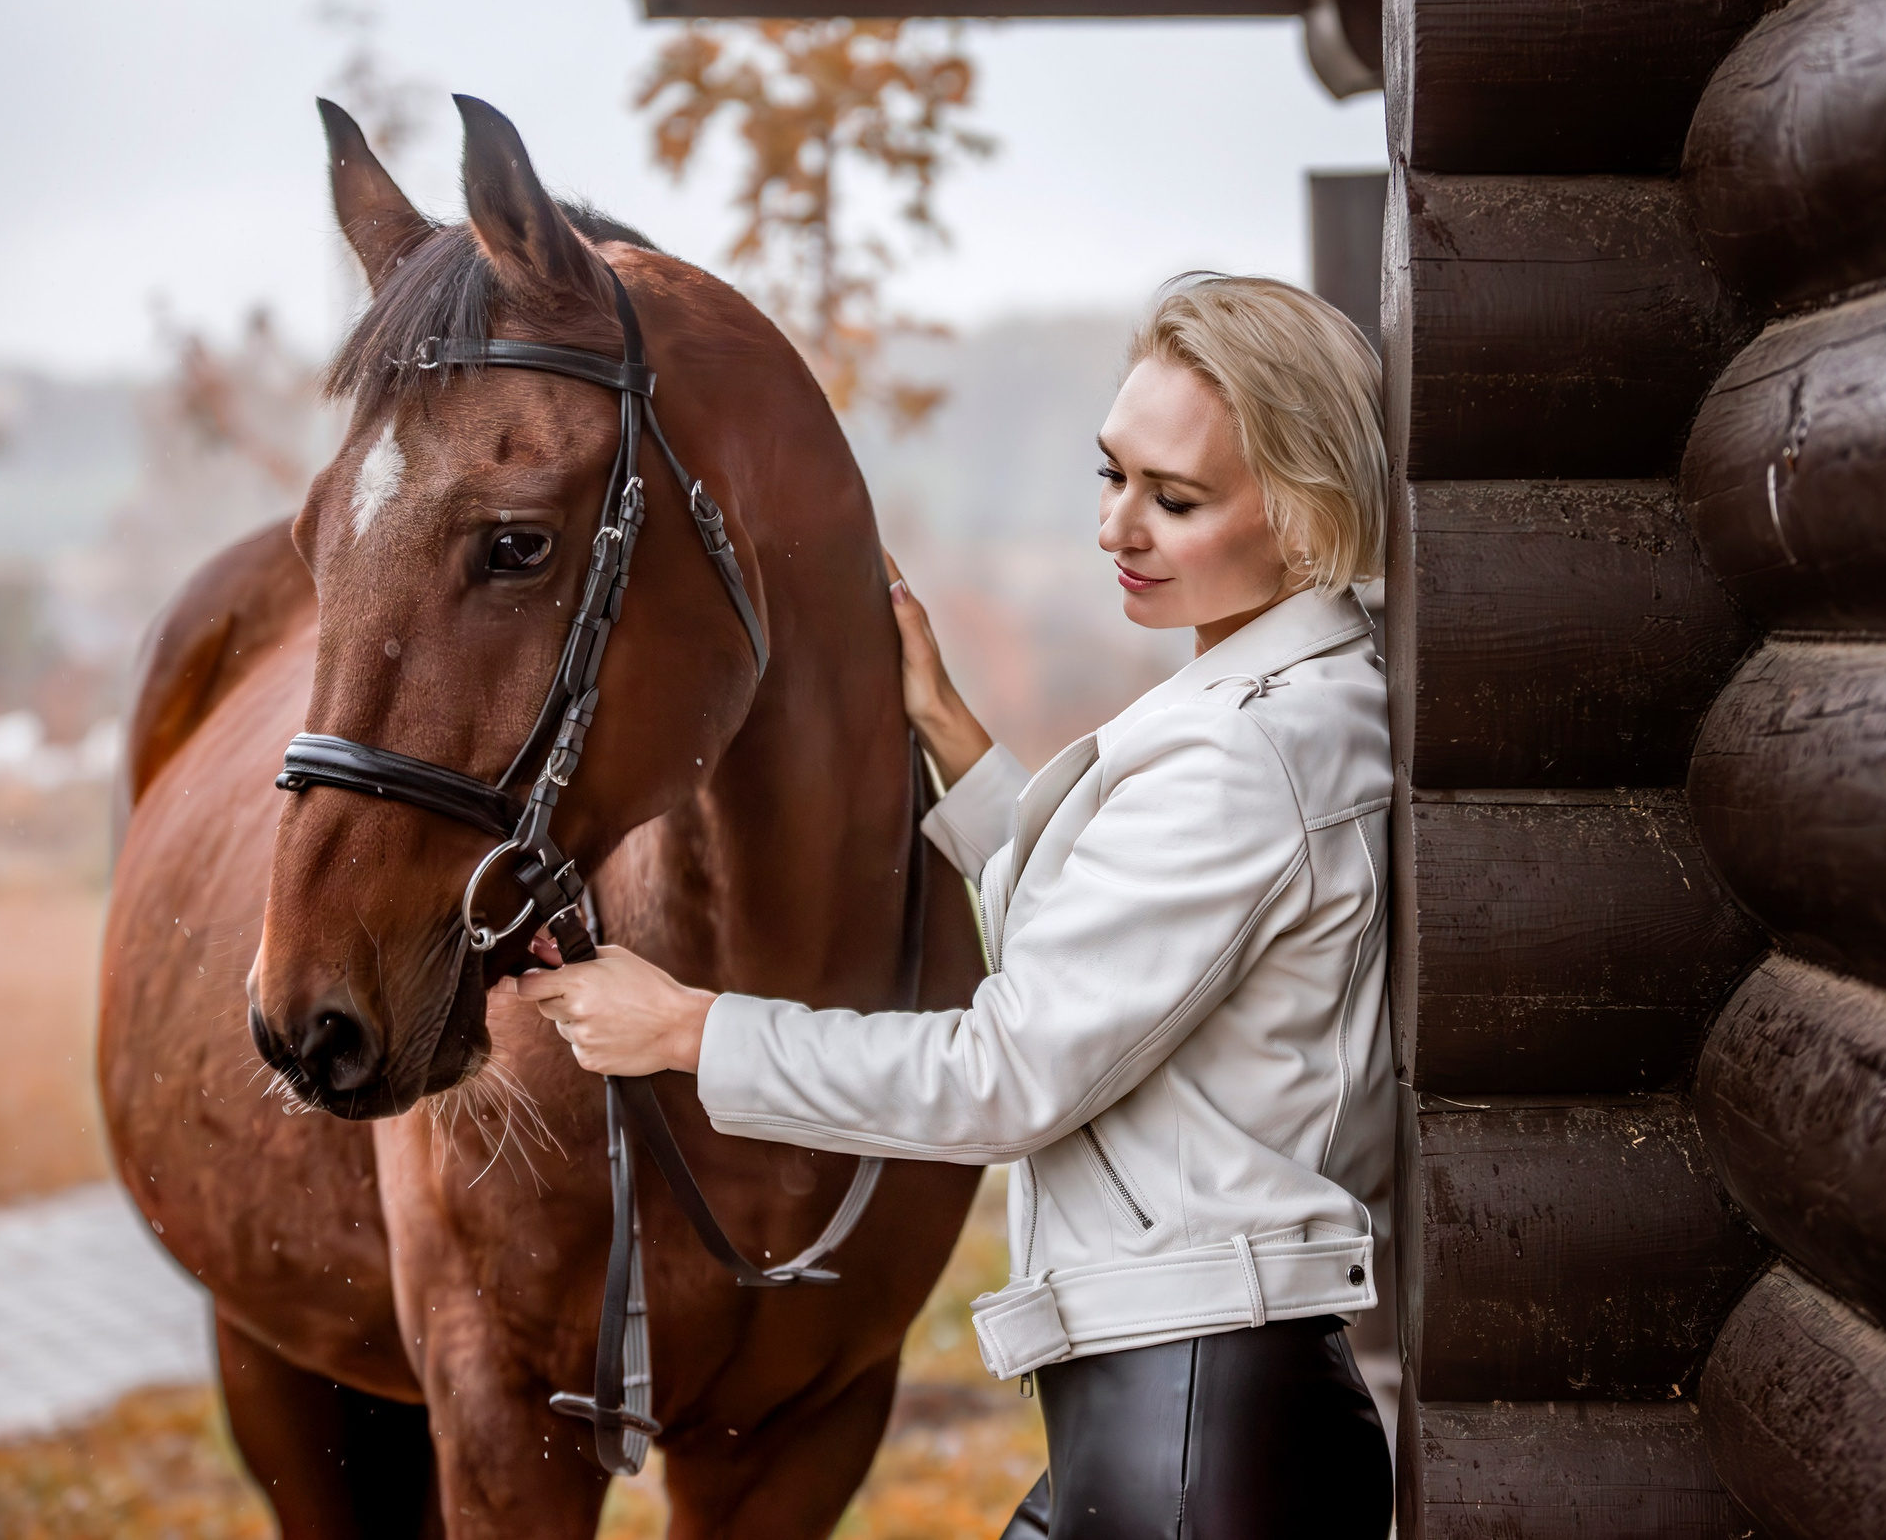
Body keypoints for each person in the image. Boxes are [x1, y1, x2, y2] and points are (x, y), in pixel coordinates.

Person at [517, 273, 1396, 1539]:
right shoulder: (1291, 706)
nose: (1118, 527)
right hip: (1188, 1417)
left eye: (1176, 499)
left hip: (1195, 1436)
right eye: (1111, 474)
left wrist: (685, 1028)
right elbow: (1116, 956)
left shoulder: (1243, 755)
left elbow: (1006, 1073)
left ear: (1309, 514)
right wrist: (948, 731)